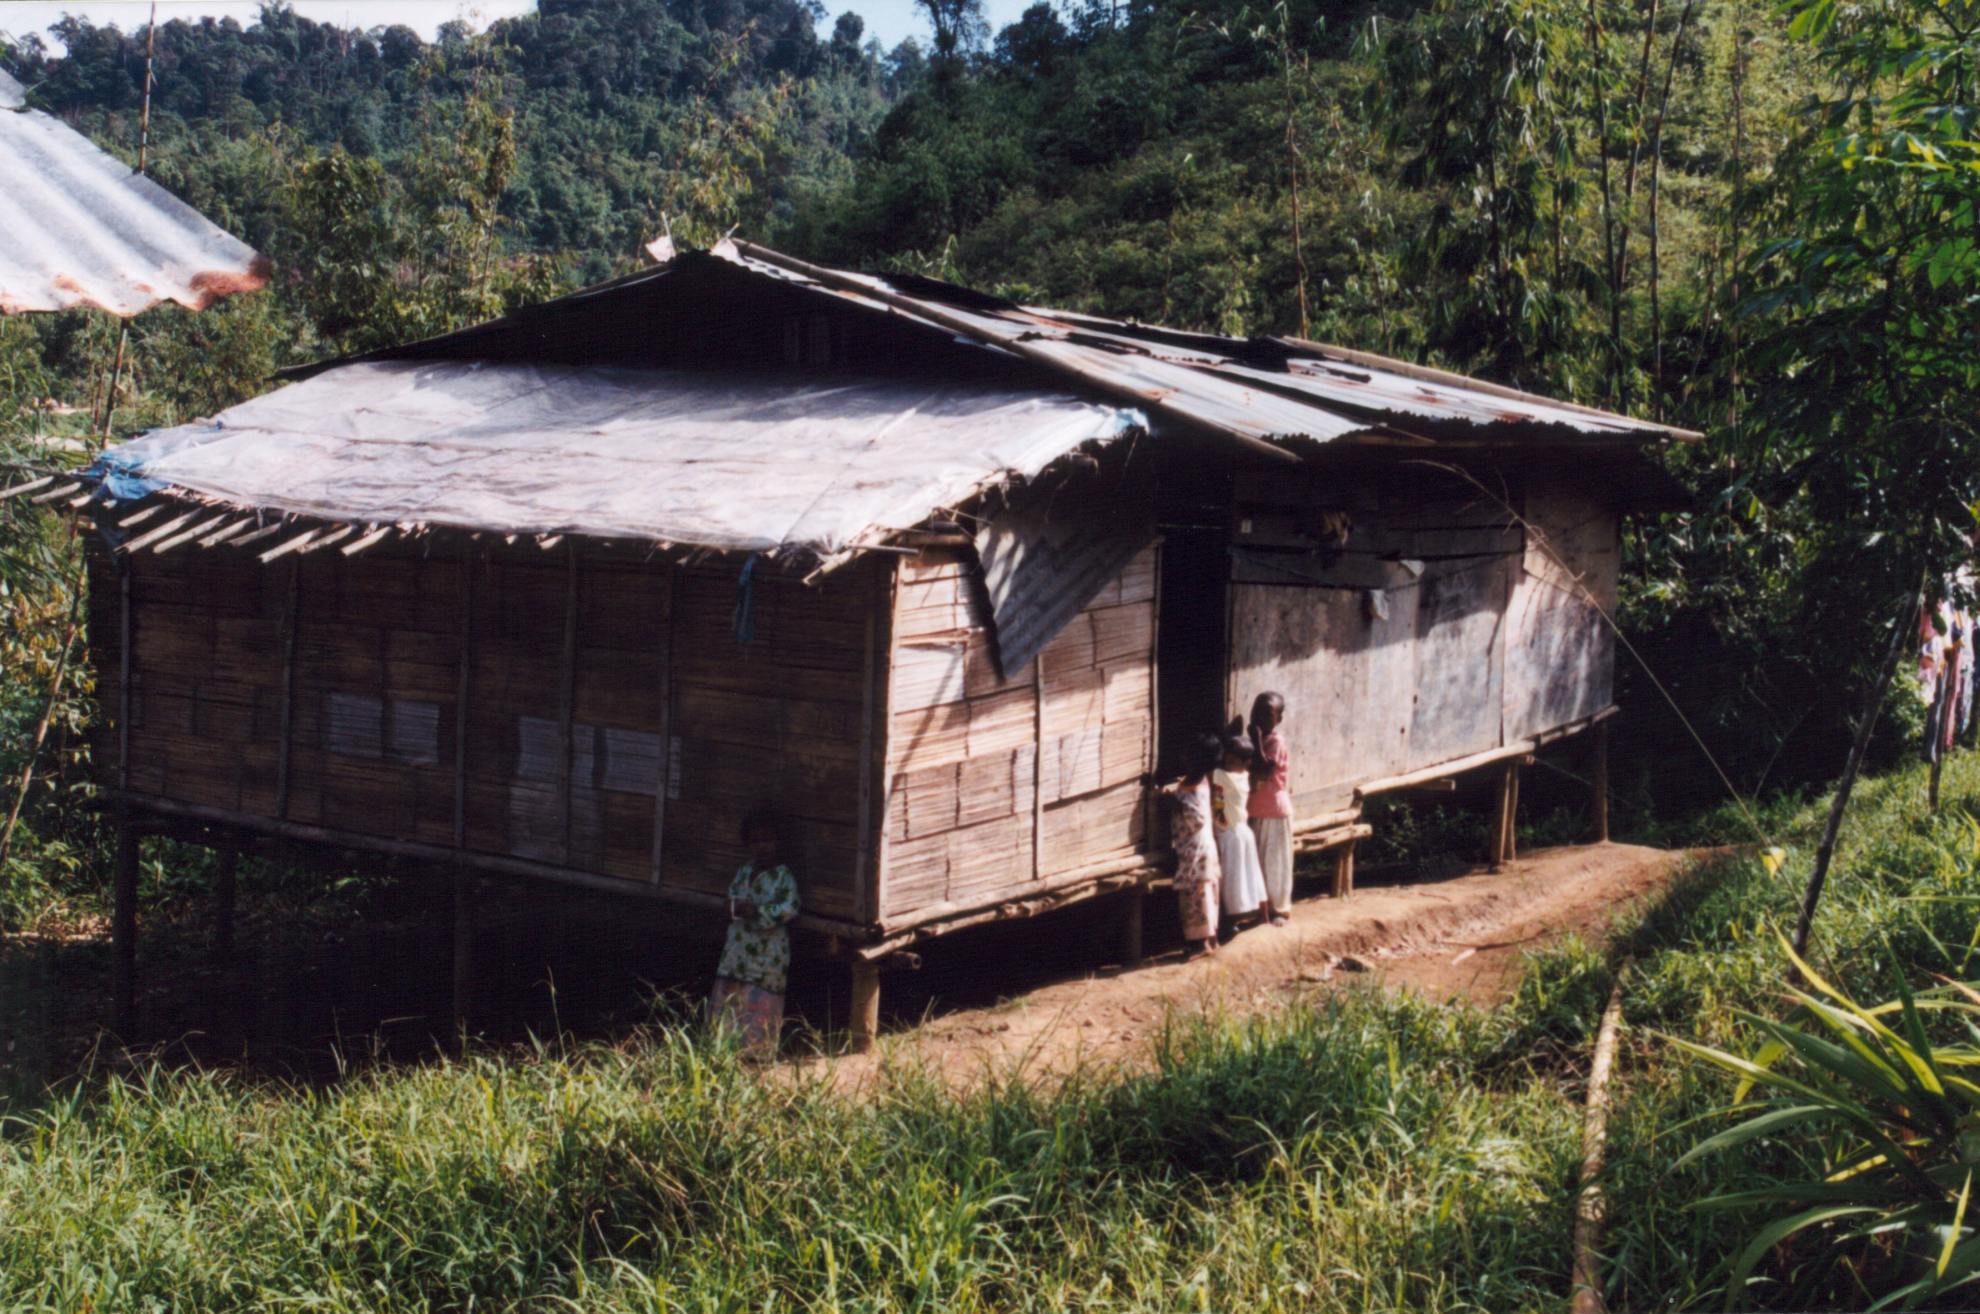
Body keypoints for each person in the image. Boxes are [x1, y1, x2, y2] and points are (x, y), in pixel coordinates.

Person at [709, 811, 801, 1056]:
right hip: (738, 948)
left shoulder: (783, 876)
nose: (762, 846)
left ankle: (756, 1054)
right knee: (732, 994)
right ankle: (723, 1049)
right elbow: (731, 896)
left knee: (759, 997)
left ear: (779, 842)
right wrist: (731, 907)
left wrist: (758, 911)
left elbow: (790, 907)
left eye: (768, 840)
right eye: (756, 841)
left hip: (767, 951)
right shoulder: (744, 872)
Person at [1159, 733, 1224, 959]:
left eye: (1189, 755)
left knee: (1198, 894)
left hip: (1198, 847)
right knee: (1196, 893)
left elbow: (1197, 819)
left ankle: (1202, 943)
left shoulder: (1198, 787)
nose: (1184, 757)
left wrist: (1175, 804)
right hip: (1189, 847)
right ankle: (1207, 939)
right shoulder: (1190, 782)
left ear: (1198, 761)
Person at [1212, 724, 1266, 929]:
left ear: (1245, 763)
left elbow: (1216, 796)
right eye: (1226, 758)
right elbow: (1219, 799)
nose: (1227, 762)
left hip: (1231, 834)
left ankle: (1230, 921)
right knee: (1251, 874)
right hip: (1243, 831)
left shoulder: (1222, 776)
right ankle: (1260, 914)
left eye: (1232, 760)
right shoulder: (1243, 775)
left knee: (1232, 878)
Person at [1247, 691, 1294, 925]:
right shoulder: (1253, 741)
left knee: (1275, 863)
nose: (1259, 717)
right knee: (1258, 862)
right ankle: (1261, 909)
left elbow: (1264, 770)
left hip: (1274, 812)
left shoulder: (1275, 741)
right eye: (1256, 710)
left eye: (1267, 714)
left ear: (1278, 719)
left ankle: (1279, 910)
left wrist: (1256, 740)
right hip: (1256, 810)